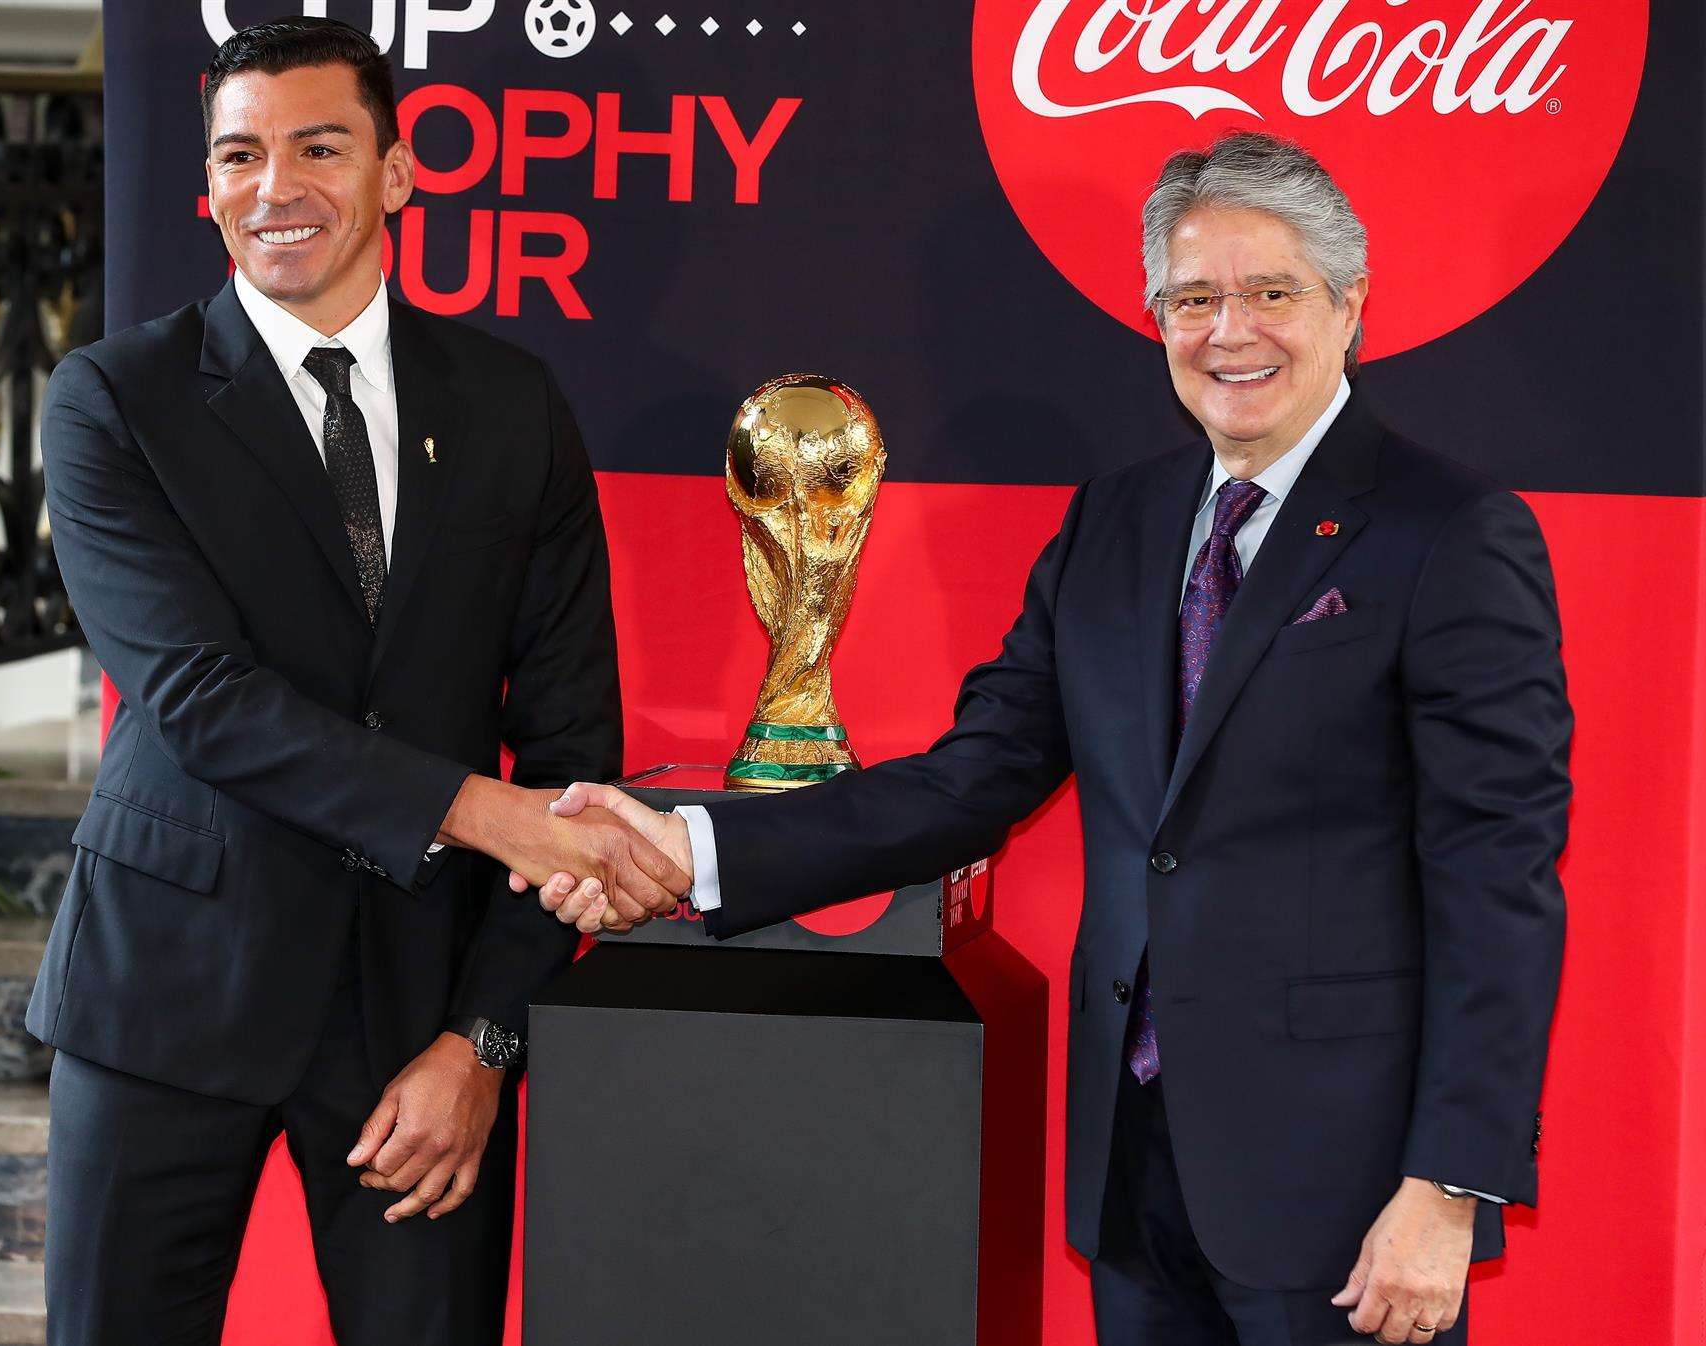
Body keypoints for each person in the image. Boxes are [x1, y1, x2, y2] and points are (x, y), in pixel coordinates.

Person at [529, 132, 1570, 1346]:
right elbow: (976, 776)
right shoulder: (1116, 522)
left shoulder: (1451, 531)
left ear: (1351, 304)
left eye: (1272, 291)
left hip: (1346, 1188)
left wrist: (1448, 1183)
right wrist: (693, 845)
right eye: (1193, 298)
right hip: (1134, 1172)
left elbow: (1496, 870)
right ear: (1158, 319)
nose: (1230, 329)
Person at [25, 17, 685, 1345]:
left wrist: (485, 1043)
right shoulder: (112, 398)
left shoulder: (512, 404)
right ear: (207, 186)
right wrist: (480, 809)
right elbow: (200, 697)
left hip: (418, 1016)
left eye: (320, 147)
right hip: (165, 993)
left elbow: (570, 737)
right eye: (241, 155)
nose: (278, 189)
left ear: (396, 168)